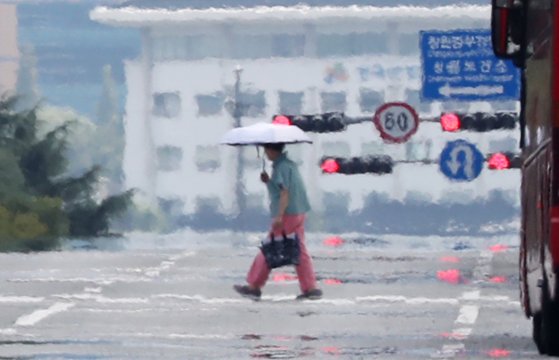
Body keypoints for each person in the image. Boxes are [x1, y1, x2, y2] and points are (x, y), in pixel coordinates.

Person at [234, 142, 322, 301]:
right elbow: (283, 188)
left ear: (271, 150)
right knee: (300, 250)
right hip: (299, 211)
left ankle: (254, 286)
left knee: (269, 247)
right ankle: (310, 288)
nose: (265, 153)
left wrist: (280, 217)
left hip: (287, 213)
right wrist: (268, 181)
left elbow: (284, 193)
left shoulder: (280, 167)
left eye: (266, 149)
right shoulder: (289, 165)